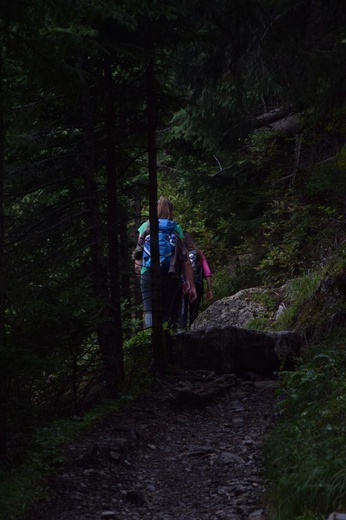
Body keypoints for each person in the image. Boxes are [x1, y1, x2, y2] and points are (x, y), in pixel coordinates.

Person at [133, 196, 196, 329]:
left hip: (148, 273)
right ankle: (165, 342)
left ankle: (151, 341)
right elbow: (185, 260)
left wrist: (141, 272)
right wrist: (190, 284)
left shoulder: (145, 226)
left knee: (149, 311)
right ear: (171, 211)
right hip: (171, 274)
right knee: (166, 312)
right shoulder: (175, 227)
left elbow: (138, 258)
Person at [179, 232, 213, 329]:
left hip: (183, 285)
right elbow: (207, 273)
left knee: (182, 310)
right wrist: (209, 289)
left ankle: (182, 332)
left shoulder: (180, 252)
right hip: (197, 284)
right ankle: (193, 331)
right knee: (194, 312)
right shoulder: (199, 254)